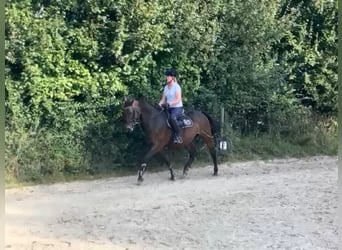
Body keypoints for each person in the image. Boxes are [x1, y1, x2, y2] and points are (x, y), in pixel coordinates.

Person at [159, 69, 183, 144]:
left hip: (177, 108)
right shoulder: (166, 87)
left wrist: (169, 103)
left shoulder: (176, 87)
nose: (166, 78)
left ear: (172, 77)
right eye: (166, 76)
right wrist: (159, 105)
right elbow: (163, 99)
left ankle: (178, 136)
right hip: (168, 107)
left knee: (172, 118)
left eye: (168, 76)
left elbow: (178, 99)